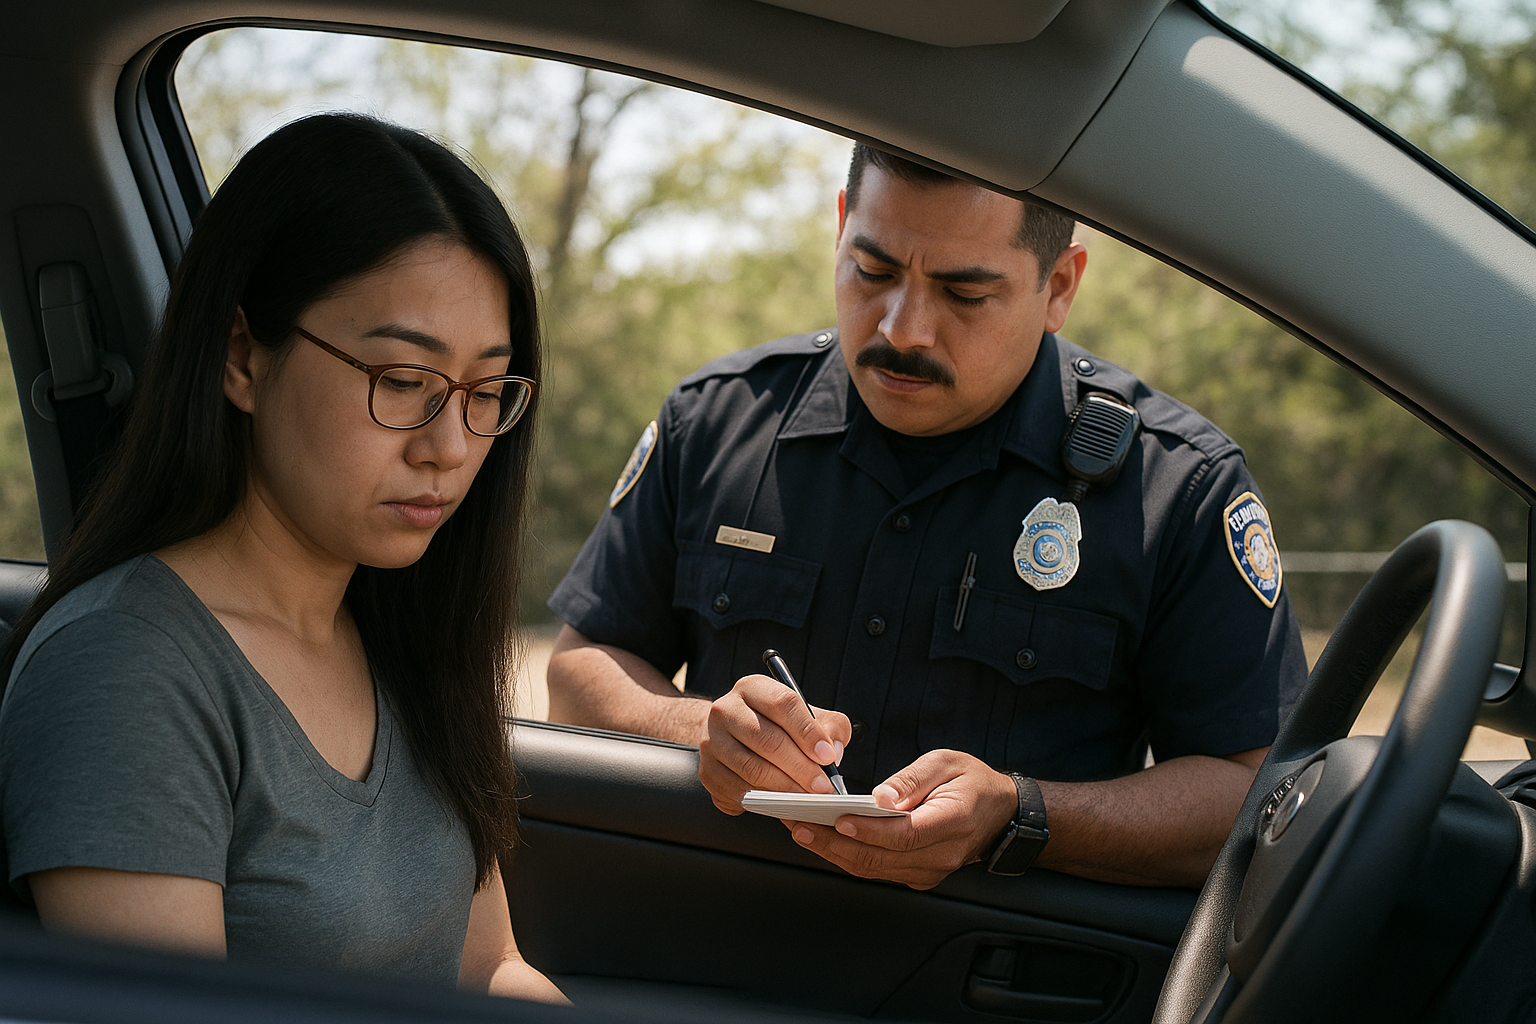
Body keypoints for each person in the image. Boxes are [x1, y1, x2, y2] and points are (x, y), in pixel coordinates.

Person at [545, 144, 1306, 892]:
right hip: (698, 945)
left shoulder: (1177, 487)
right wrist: (707, 732)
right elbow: (580, 669)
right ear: (841, 227)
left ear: (1060, 285)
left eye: (965, 294)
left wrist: (1022, 814)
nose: (902, 329)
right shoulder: (716, 423)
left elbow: (1253, 794)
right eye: (872, 272)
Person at [0, 113, 565, 1002]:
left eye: (487, 392)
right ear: (241, 356)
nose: (451, 447)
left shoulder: (404, 630)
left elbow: (488, 965)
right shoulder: (123, 670)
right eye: (403, 382)